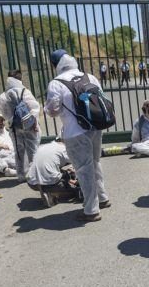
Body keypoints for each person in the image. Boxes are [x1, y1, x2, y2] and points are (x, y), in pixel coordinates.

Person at [45, 50, 110, 222]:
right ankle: (102, 198)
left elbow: (53, 110)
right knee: (95, 163)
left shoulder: (56, 83)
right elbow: (101, 96)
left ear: (54, 65)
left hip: (75, 133)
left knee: (83, 169)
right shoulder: (89, 76)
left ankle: (91, 210)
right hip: (95, 127)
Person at [0, 70, 40, 180]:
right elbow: (34, 108)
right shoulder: (24, 91)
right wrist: (34, 123)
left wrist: (12, 120)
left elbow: (5, 114)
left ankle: (21, 175)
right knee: (33, 149)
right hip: (29, 125)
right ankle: (34, 175)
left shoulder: (2, 96)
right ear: (20, 79)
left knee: (19, 151)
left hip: (14, 127)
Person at [26, 139, 77, 208]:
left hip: (32, 182)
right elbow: (78, 164)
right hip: (51, 182)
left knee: (56, 172)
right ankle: (52, 194)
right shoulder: (64, 149)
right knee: (74, 190)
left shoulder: (43, 146)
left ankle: (44, 189)